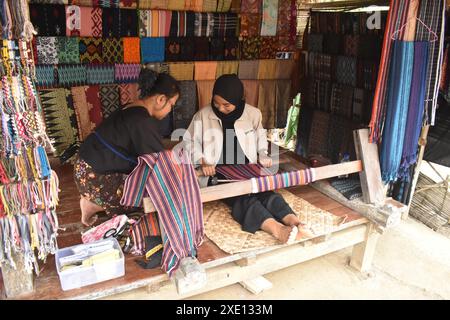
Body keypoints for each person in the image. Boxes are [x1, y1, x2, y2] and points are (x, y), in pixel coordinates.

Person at [183, 74, 313, 244]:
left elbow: (260, 138)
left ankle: (296, 223)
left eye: (226, 105)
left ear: (239, 99)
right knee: (242, 198)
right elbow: (189, 142)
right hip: (220, 173)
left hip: (247, 168)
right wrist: (203, 161)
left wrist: (263, 154)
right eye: (216, 103)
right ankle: (278, 229)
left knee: (266, 193)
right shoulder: (202, 115)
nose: (220, 108)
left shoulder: (253, 114)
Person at [74, 70, 180, 226]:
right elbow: (160, 164)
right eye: (172, 104)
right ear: (161, 99)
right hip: (95, 177)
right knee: (153, 197)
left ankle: (94, 198)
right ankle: (94, 204)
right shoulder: (141, 121)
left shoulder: (131, 108)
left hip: (83, 169)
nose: (171, 109)